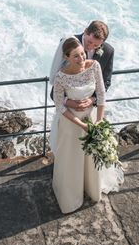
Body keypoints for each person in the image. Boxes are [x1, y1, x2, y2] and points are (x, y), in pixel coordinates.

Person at [50, 37, 123, 214]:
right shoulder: (61, 77)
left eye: (82, 53)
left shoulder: (94, 66)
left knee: (91, 159)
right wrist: (81, 125)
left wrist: (98, 121)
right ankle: (71, 197)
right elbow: (59, 106)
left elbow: (101, 92)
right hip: (70, 124)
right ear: (66, 57)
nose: (82, 59)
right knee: (72, 159)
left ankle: (91, 188)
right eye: (76, 56)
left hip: (91, 118)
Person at [49, 20, 114, 111]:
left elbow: (106, 80)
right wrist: (67, 102)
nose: (91, 47)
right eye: (89, 42)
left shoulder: (108, 51)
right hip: (67, 108)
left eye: (96, 45)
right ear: (85, 31)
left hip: (90, 107)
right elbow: (58, 83)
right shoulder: (68, 43)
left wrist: (93, 99)